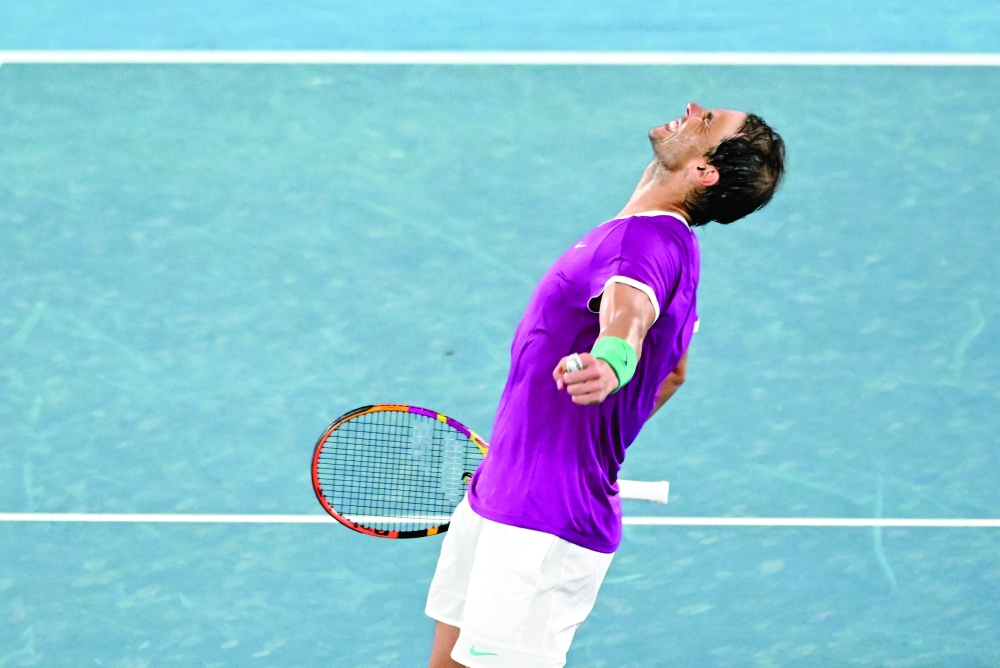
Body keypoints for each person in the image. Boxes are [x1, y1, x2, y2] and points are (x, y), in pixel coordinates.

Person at [426, 102, 786, 668]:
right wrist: (572, 445)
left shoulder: (643, 245)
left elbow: (628, 320)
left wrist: (610, 364)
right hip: (514, 487)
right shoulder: (675, 248)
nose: (692, 109)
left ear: (703, 171)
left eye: (708, 119)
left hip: (539, 515)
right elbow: (671, 373)